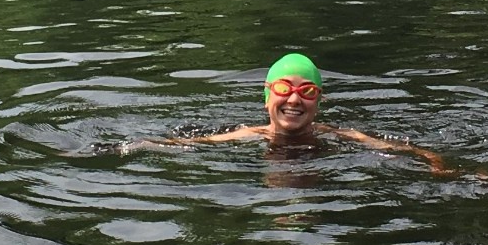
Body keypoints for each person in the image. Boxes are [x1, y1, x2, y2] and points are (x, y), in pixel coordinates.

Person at [126, 53, 460, 177]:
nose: (295, 100)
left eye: (307, 91)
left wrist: (434, 162)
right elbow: (195, 142)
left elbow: (401, 149)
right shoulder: (250, 135)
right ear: (267, 96)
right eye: (284, 89)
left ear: (318, 100)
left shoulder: (337, 136)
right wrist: (134, 145)